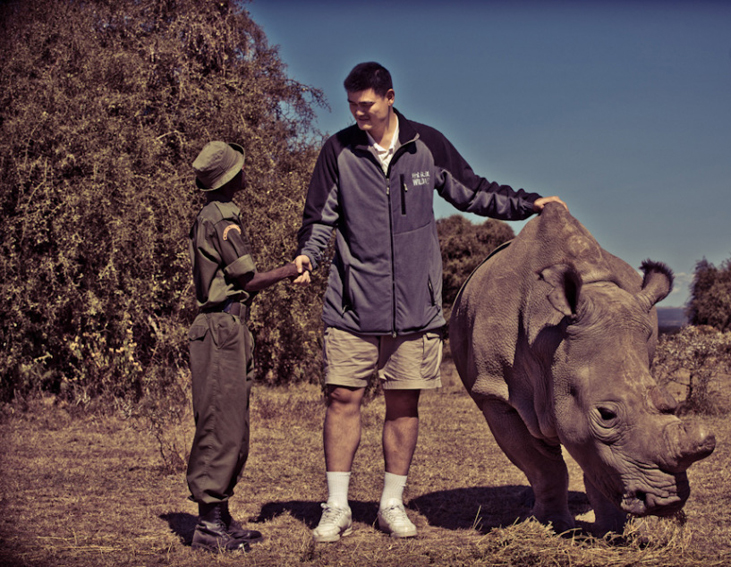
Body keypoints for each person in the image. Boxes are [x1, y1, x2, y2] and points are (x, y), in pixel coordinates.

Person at [294, 62, 567, 543]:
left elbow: (473, 191)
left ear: (390, 97)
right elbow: (319, 219)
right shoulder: (337, 150)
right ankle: (335, 508)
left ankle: (391, 505)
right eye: (352, 105)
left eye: (367, 104)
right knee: (342, 399)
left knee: (403, 405)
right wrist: (308, 255)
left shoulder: (426, 145)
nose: (358, 114)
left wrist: (528, 204)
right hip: (352, 304)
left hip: (415, 308)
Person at [187, 141, 306, 552]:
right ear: (228, 178)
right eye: (239, 168)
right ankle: (207, 525)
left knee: (233, 427)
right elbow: (248, 279)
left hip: (231, 328)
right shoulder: (220, 218)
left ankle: (220, 517)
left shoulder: (218, 215)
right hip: (221, 328)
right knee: (220, 425)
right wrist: (292, 269)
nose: (244, 172)